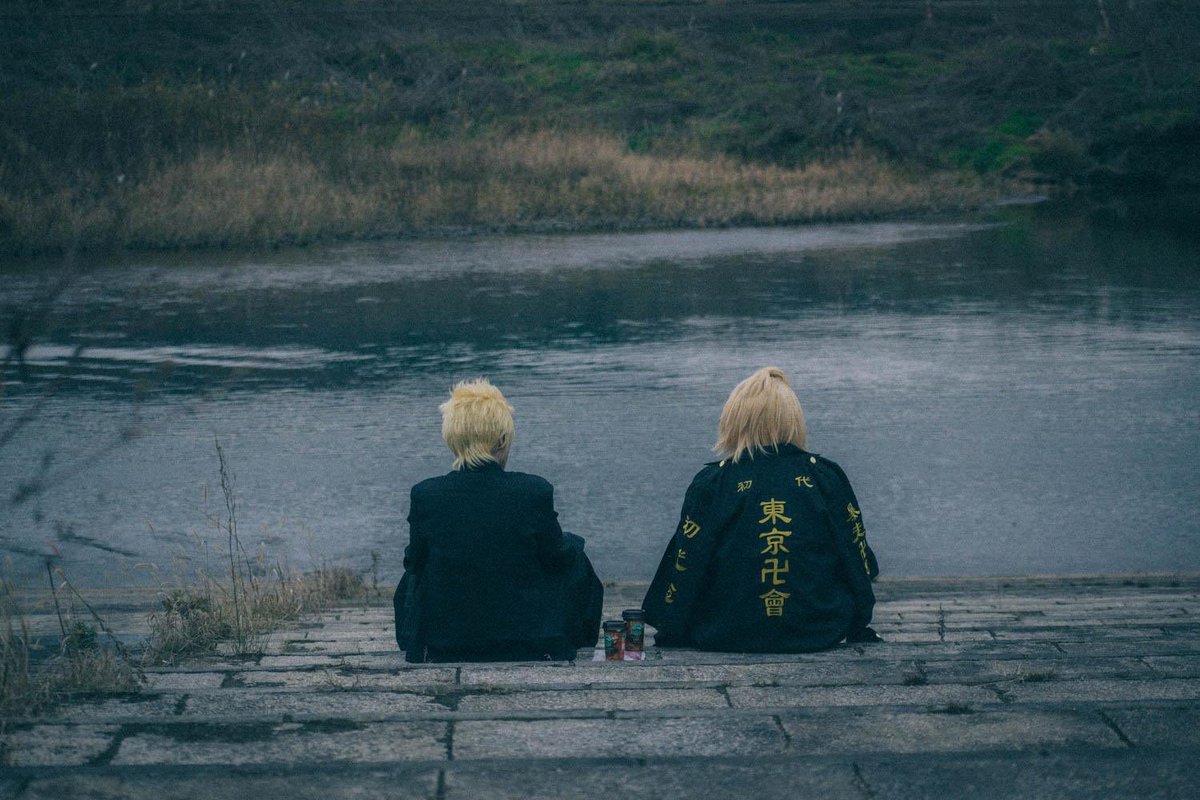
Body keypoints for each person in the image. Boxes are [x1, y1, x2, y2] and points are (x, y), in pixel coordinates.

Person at [643, 367, 880, 652]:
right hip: (818, 629)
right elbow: (857, 559)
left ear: (733, 420)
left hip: (724, 632)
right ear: (794, 420)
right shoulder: (824, 477)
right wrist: (858, 622)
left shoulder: (713, 483)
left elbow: (685, 566)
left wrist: (670, 627)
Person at [395, 378, 603, 662]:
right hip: (524, 640)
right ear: (503, 439)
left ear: (453, 439)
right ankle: (578, 638)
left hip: (446, 642)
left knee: (417, 566)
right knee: (575, 553)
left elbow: (414, 564)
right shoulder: (534, 491)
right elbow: (557, 560)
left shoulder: (425, 494)